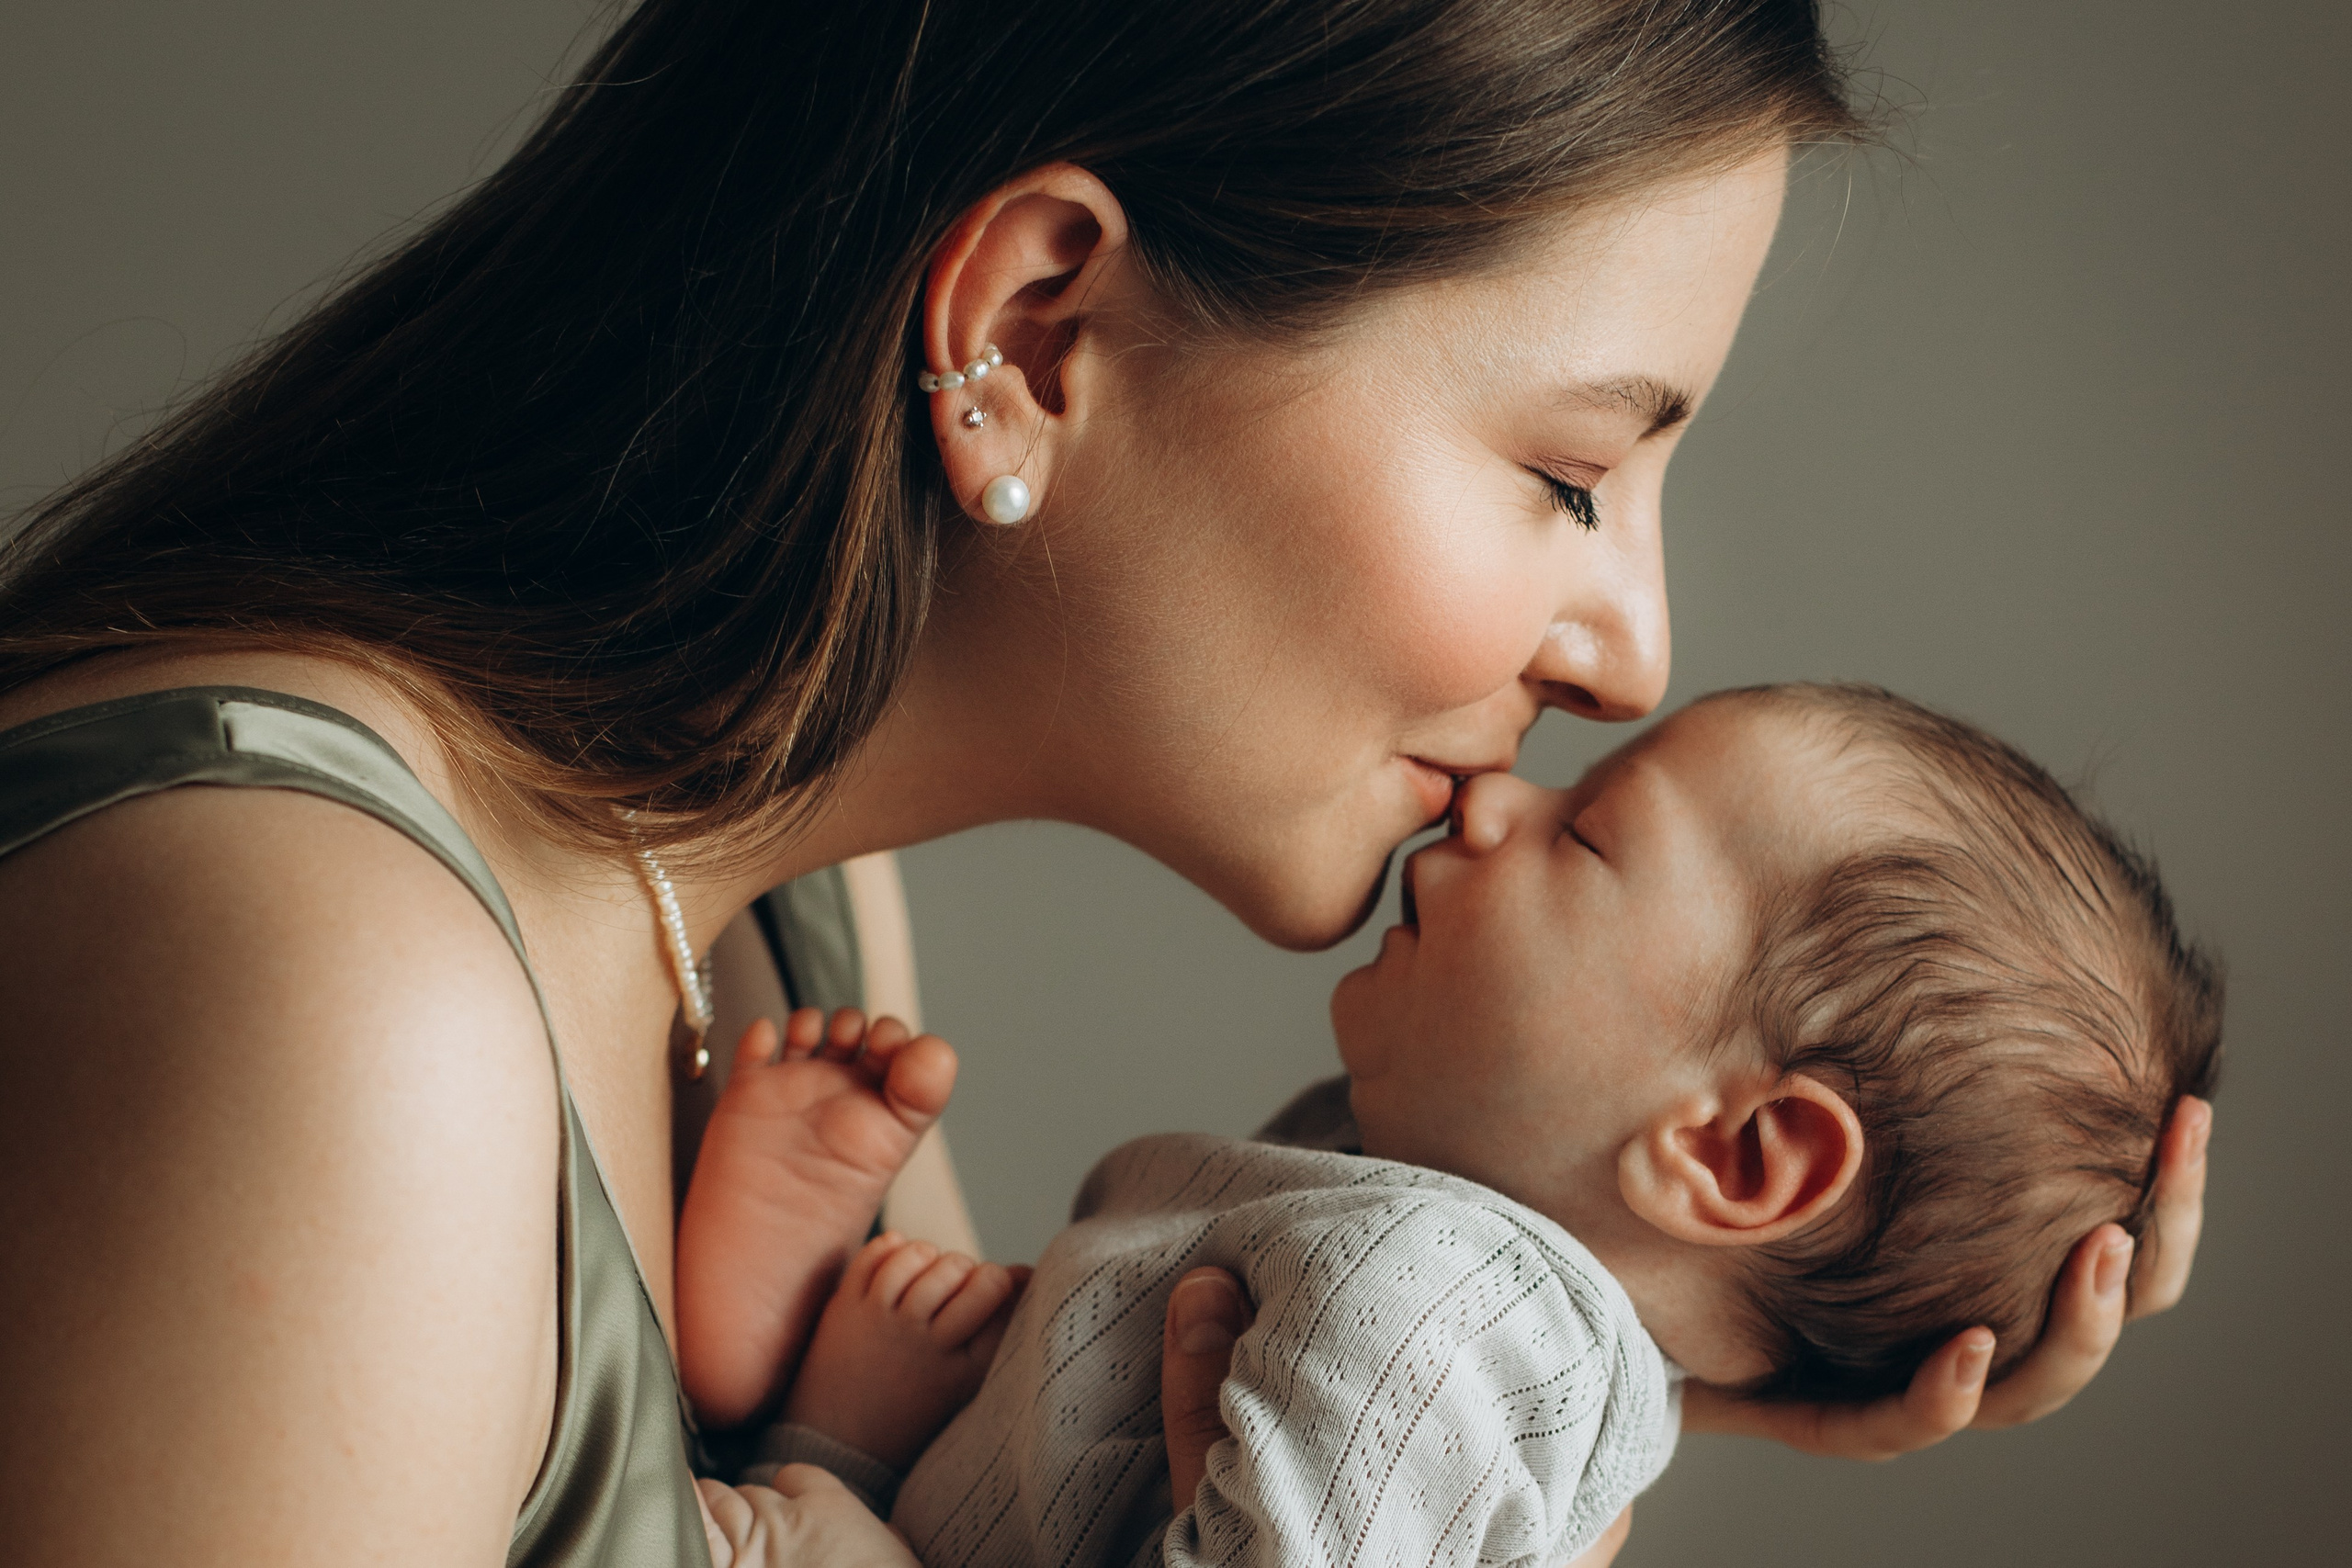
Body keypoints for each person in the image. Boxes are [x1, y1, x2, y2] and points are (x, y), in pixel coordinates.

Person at [0, 5, 2211, 1566]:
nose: (1629, 647)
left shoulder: (787, 918)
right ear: (1044, 331)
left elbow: (1002, 1501)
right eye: (1564, 470)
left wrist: (1611, 1357)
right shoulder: (337, 984)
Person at [667, 682, 2222, 1566]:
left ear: (1735, 1156)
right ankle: (822, 1414)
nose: (1494, 801)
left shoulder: (1450, 1298)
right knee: (929, 1370)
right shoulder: (1460, 1254)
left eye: (1590, 831)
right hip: (977, 1504)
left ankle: (802, 1457)